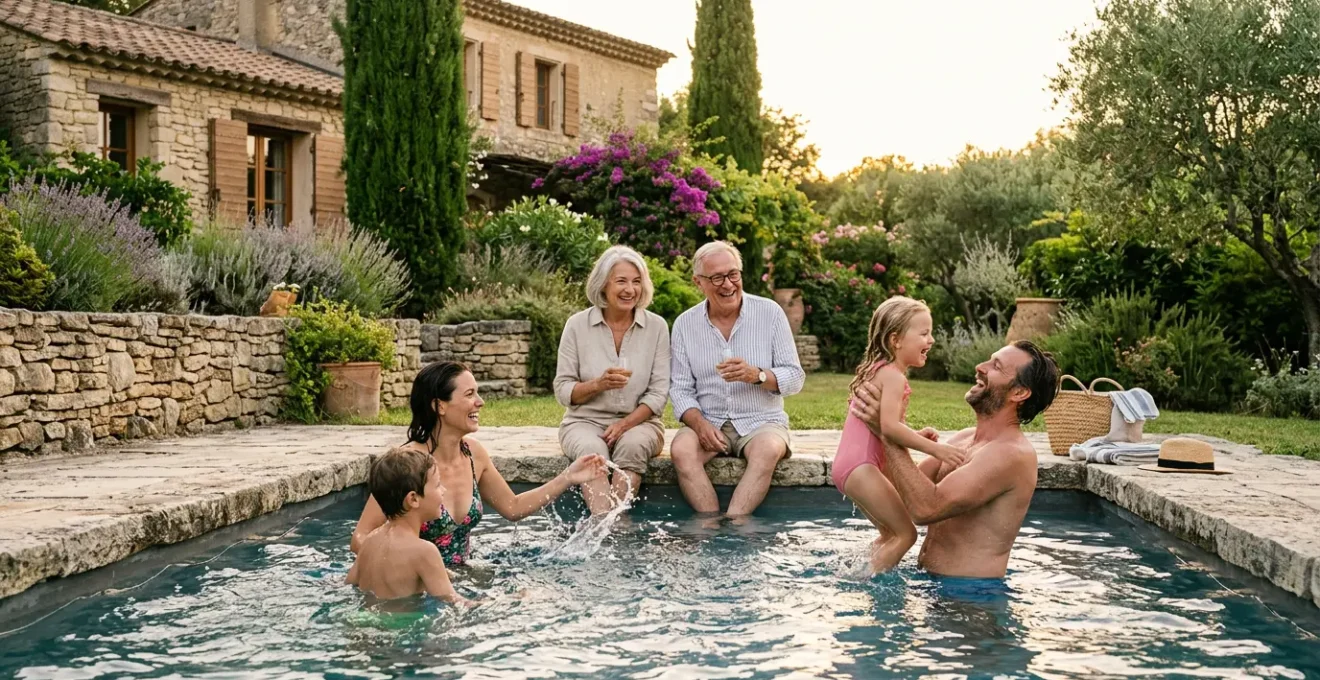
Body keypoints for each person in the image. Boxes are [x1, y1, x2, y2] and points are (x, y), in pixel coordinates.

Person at [350, 361, 608, 565]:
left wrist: (568, 477)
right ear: (440, 405)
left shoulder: (474, 454)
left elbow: (513, 507)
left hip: (461, 578)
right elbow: (360, 539)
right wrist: (412, 566)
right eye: (470, 394)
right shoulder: (407, 463)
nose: (480, 402)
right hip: (419, 586)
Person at [850, 341, 1060, 579]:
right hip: (929, 583)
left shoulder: (1012, 454)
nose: (980, 366)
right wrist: (889, 427)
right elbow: (905, 494)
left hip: (971, 599)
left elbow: (926, 509)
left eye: (996, 366)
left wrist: (887, 434)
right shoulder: (964, 438)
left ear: (1019, 392)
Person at [831, 297, 968, 574]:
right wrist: (938, 451)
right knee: (906, 535)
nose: (930, 340)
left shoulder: (878, 370)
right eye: (923, 333)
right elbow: (890, 428)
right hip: (863, 468)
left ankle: (851, 570)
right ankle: (862, 581)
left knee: (891, 533)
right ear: (895, 340)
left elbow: (884, 426)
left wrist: (915, 434)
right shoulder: (893, 376)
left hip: (852, 466)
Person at [669, 241, 805, 518]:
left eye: (733, 275)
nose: (728, 284)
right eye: (717, 277)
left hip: (761, 422)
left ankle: (734, 523)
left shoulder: (770, 314)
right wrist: (699, 424)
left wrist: (757, 375)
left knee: (767, 451)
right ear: (699, 282)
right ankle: (710, 526)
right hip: (709, 420)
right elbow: (680, 388)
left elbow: (795, 377)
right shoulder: (685, 324)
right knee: (682, 449)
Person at [554, 246, 670, 514]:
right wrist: (598, 384)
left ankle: (610, 531)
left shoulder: (657, 327)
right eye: (621, 281)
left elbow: (658, 393)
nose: (630, 289)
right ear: (603, 284)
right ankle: (607, 528)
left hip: (640, 423)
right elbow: (563, 390)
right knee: (592, 454)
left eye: (637, 281)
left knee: (632, 446)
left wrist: (624, 425)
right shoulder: (576, 325)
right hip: (584, 421)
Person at [347, 448, 466, 604]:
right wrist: (501, 602)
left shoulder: (370, 541)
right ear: (413, 499)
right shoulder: (425, 551)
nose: (443, 490)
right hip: (403, 625)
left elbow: (349, 584)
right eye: (437, 485)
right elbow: (454, 601)